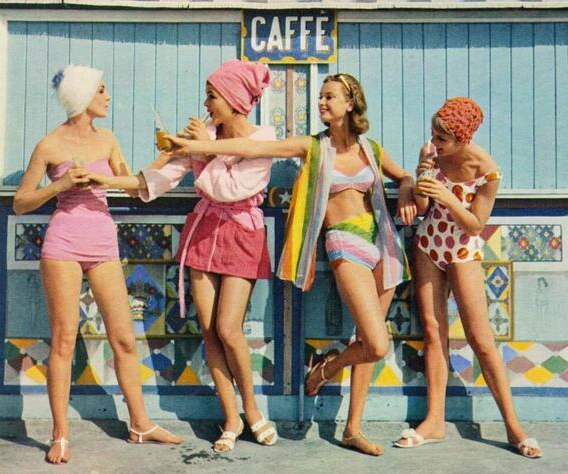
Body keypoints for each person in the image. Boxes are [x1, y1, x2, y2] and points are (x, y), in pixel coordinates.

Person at [166, 73, 417, 456]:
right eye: (320, 96)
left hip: (383, 243)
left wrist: (408, 189)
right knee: (377, 343)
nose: (322, 102)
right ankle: (325, 369)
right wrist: (198, 145)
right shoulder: (313, 146)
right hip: (344, 243)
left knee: (368, 341)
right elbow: (252, 148)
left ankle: (352, 428)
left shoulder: (371, 149)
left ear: (350, 103)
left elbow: (403, 175)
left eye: (330, 97)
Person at [86, 60, 279, 453]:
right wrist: (109, 180)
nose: (206, 104)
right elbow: (156, 180)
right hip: (204, 233)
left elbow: (231, 189)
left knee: (229, 328)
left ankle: (253, 410)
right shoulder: (203, 134)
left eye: (212, 96)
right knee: (208, 329)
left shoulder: (264, 138)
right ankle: (231, 417)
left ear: (234, 99)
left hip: (243, 233)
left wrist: (200, 151)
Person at [13, 64, 183, 465]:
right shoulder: (49, 144)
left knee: (124, 338)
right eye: (101, 90)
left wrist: (168, 154)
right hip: (63, 243)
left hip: (103, 242)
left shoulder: (107, 139)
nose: (107, 97)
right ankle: (60, 435)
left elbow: (136, 186)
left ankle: (140, 423)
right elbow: (21, 202)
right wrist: (61, 185)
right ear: (82, 95)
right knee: (64, 340)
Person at [393, 97, 542, 459]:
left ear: (463, 138)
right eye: (433, 134)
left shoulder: (487, 170)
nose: (434, 143)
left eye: (442, 138)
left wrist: (448, 196)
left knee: (481, 339)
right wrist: (418, 183)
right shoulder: (430, 152)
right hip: (429, 245)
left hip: (462, 249)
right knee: (433, 332)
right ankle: (434, 421)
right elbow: (424, 210)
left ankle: (514, 427)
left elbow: (475, 225)